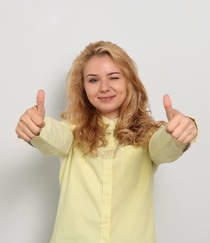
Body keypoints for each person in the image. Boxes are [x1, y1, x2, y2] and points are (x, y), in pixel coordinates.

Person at [15, 41, 198, 243]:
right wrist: (38, 128)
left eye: (114, 77)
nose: (104, 88)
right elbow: (55, 137)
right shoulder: (71, 131)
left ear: (129, 81)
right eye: (93, 80)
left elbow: (164, 147)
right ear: (83, 87)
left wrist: (179, 133)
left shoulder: (147, 135)